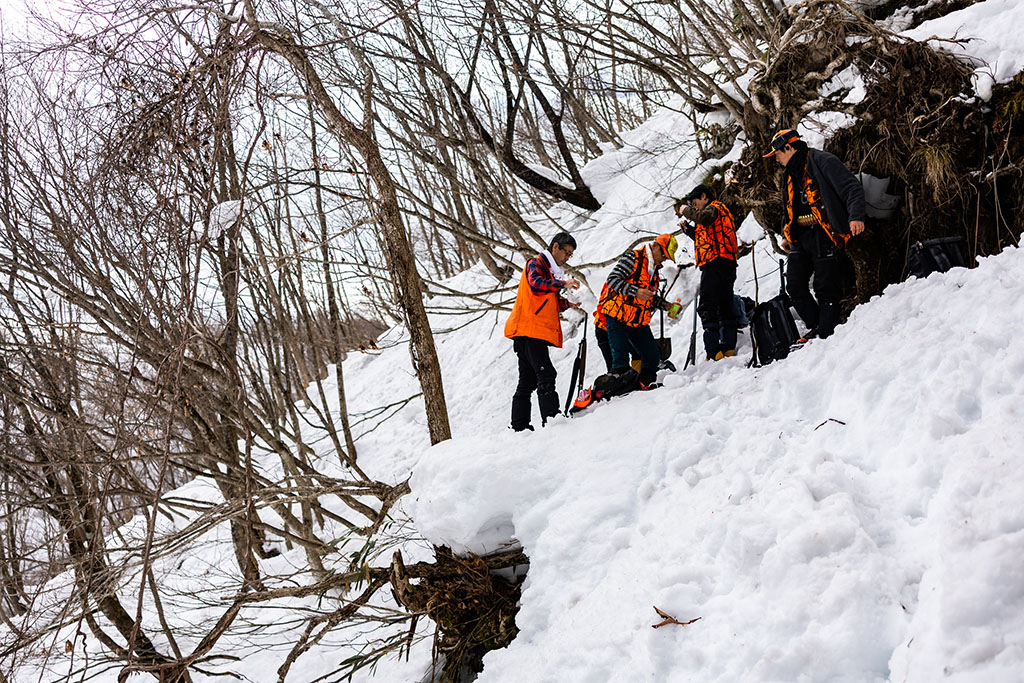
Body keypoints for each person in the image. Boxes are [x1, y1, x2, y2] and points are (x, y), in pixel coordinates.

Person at [763, 128, 866, 339]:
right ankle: (817, 326)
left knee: (826, 287)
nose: (777, 159)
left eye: (778, 154)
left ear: (789, 147)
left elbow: (852, 188)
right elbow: (788, 207)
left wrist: (856, 216)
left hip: (824, 232)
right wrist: (785, 234)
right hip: (800, 237)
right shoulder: (789, 175)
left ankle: (826, 332)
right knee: (794, 284)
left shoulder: (822, 160)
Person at [504, 232, 580, 431]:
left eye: (570, 255)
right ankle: (553, 421)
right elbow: (536, 286)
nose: (567, 258)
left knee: (527, 381)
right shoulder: (536, 263)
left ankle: (519, 427)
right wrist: (563, 284)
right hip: (529, 330)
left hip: (529, 330)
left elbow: (545, 300)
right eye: (567, 253)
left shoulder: (551, 272)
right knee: (546, 375)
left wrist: (566, 303)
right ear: (555, 247)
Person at [599, 234, 677, 390]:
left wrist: (665, 305)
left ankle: (642, 384)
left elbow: (647, 296)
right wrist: (635, 292)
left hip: (637, 319)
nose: (664, 259)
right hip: (617, 315)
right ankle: (618, 393)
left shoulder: (653, 269)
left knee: (652, 355)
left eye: (667, 257)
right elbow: (612, 280)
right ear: (655, 246)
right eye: (663, 254)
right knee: (620, 360)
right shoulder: (632, 258)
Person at [674, 184, 738, 360]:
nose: (694, 207)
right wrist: (688, 231)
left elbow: (704, 219)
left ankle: (713, 349)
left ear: (704, 196)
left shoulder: (713, 208)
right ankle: (728, 347)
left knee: (708, 305)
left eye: (695, 203)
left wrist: (685, 210)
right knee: (724, 303)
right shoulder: (716, 214)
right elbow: (707, 237)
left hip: (715, 263)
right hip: (727, 262)